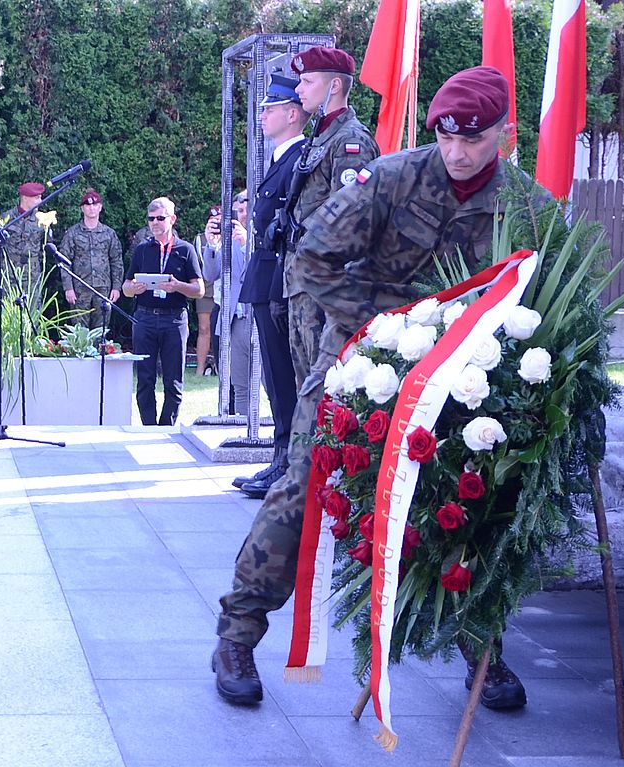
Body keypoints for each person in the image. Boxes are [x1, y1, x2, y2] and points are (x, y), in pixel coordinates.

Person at [211, 66, 532, 712]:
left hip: (461, 377)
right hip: (358, 360)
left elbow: (543, 290)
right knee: (304, 485)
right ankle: (237, 635)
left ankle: (481, 648)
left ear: (504, 133)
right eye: (446, 136)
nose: (457, 152)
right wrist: (380, 328)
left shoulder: (525, 205)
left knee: (468, 498)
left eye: (473, 139)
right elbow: (313, 256)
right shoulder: (392, 179)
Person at [283, 47, 379, 386]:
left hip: (327, 284)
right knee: (305, 386)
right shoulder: (320, 136)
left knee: (327, 386)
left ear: (334, 86)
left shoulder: (350, 140)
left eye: (308, 81)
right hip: (303, 279)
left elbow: (350, 217)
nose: (299, 89)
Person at [235, 73, 309, 500]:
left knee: (283, 376)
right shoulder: (284, 158)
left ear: (292, 114)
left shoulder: (299, 158)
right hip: (267, 276)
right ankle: (281, 457)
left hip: (280, 278)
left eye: (270, 108)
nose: (262, 115)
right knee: (275, 376)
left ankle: (286, 463)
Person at [122, 197, 205, 426]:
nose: (155, 223)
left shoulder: (185, 250)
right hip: (145, 318)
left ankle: (167, 427)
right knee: (145, 379)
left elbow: (199, 290)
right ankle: (148, 428)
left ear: (172, 219)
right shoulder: (142, 250)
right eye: (151, 219)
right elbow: (126, 288)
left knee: (173, 380)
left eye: (160, 218)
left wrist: (178, 286)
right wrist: (134, 288)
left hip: (174, 320)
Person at [201, 190, 251, 416]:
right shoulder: (228, 241)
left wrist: (246, 244)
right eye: (237, 211)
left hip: (256, 315)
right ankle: (238, 425)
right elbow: (210, 274)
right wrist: (212, 246)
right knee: (236, 383)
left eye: (245, 210)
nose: (241, 215)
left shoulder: (261, 235)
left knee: (268, 382)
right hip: (232, 317)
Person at [58, 188, 123, 330]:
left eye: (95, 205)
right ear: (82, 208)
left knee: (101, 329)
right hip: (80, 289)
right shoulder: (73, 233)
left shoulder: (109, 233)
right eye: (87, 205)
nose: (91, 208)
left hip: (103, 289)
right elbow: (64, 261)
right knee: (80, 330)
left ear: (100, 207)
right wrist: (68, 288)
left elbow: (116, 261)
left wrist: (116, 287)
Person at [0, 181, 48, 286]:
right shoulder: (7, 218)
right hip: (10, 273)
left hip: (32, 275)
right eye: (37, 198)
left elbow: (46, 245)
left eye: (40, 197)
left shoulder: (42, 219)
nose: (40, 201)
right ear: (25, 198)